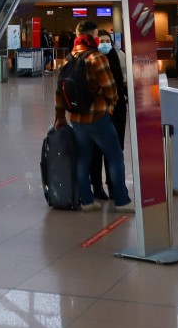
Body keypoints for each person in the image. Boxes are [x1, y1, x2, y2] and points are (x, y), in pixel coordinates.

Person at [54, 21, 134, 213]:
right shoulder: (97, 58)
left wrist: (60, 116)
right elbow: (111, 89)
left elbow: (59, 91)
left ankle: (87, 200)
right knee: (115, 156)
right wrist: (111, 105)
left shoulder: (69, 58)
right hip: (98, 118)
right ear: (92, 36)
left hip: (76, 119)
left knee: (83, 158)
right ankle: (122, 201)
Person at [88, 29, 128, 201]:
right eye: (101, 41)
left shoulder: (119, 55)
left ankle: (113, 185)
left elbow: (125, 79)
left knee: (116, 148)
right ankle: (97, 186)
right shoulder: (92, 58)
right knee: (97, 150)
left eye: (107, 40)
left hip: (117, 107)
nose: (105, 44)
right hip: (98, 108)